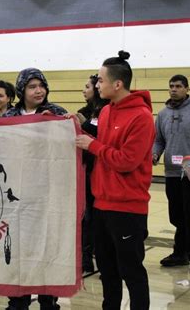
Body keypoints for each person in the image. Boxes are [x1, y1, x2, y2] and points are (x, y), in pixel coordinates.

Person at [75, 51, 154, 310]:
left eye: (100, 80)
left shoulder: (141, 117)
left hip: (127, 208)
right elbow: (100, 144)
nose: (97, 84)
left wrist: (93, 145)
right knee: (107, 271)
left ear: (117, 84)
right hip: (101, 205)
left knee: (131, 272)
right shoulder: (106, 111)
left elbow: (126, 161)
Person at [4, 67, 66, 310]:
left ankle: (47, 299)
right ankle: (17, 299)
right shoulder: (9, 115)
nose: (38, 90)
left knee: (46, 247)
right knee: (18, 249)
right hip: (17, 194)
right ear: (21, 90)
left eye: (41, 85)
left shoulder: (56, 112)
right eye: (32, 86)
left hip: (47, 194)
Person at [153, 74, 190, 275]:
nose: (174, 89)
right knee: (177, 217)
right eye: (171, 86)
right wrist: (155, 153)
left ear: (187, 89)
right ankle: (180, 254)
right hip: (171, 173)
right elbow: (159, 140)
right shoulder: (162, 114)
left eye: (178, 86)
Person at [75, 74, 110, 274]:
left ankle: (100, 256)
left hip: (102, 171)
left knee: (97, 218)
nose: (85, 89)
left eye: (89, 85)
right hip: (86, 172)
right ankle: (85, 258)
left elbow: (99, 136)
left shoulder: (107, 110)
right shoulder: (86, 111)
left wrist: (84, 124)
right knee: (85, 217)